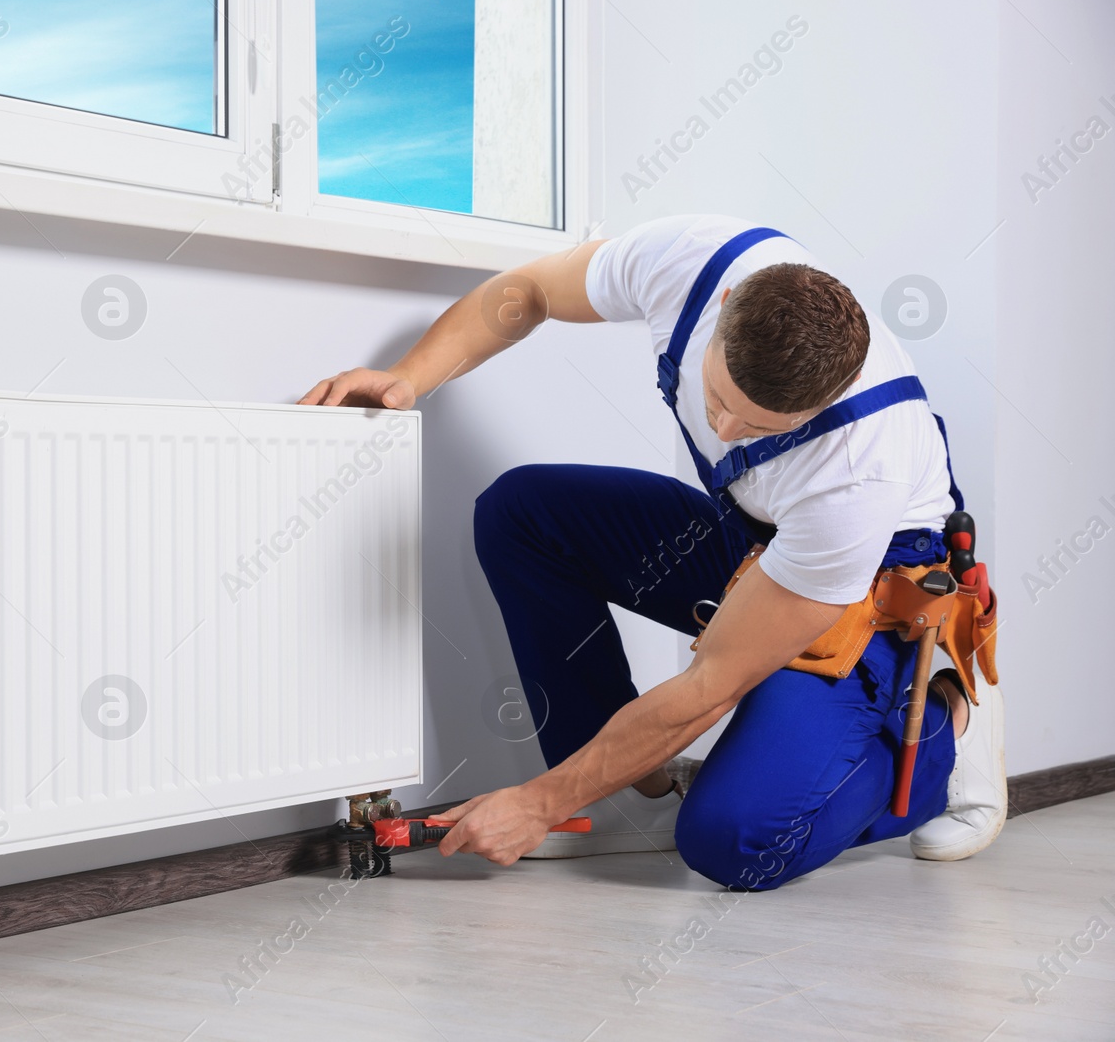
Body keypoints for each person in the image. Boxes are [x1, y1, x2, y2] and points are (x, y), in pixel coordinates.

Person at [298, 214, 1006, 890]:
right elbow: (531, 290)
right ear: (725, 306)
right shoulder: (695, 262)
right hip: (753, 538)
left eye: (756, 424)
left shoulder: (855, 469)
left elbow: (713, 682)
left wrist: (538, 802)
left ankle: (949, 719)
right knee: (525, 515)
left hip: (868, 591)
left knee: (736, 842)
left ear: (820, 407)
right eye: (718, 397)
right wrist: (410, 377)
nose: (724, 427)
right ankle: (630, 800)